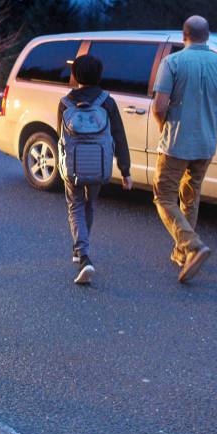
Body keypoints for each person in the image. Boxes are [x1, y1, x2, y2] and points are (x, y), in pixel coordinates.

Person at [150, 15, 217, 283]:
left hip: (176, 143)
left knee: (164, 196)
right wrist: (214, 132)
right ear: (208, 35)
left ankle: (193, 245)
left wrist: (163, 127)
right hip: (205, 145)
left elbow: (159, 106)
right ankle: (181, 253)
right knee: (190, 195)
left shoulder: (173, 62)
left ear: (183, 35)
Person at [57, 54, 133, 284]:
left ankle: (83, 256)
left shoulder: (65, 103)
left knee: (75, 206)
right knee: (90, 204)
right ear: (99, 75)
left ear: (75, 75)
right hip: (99, 164)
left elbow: (60, 136)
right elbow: (119, 136)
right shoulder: (107, 102)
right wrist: (125, 170)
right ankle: (81, 249)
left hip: (73, 166)